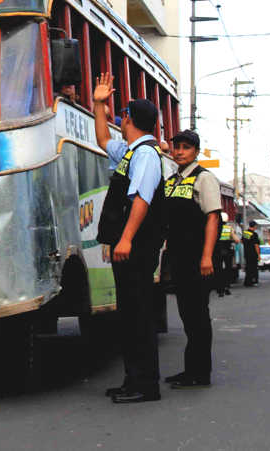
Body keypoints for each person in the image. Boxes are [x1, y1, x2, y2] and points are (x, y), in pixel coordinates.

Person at [92, 72, 164, 404]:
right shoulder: (131, 151)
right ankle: (131, 379)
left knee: (139, 316)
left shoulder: (147, 154)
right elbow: (103, 140)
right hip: (128, 248)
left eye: (122, 115)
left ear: (130, 120)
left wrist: (126, 239)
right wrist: (97, 105)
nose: (119, 120)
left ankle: (145, 385)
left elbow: (141, 199)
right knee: (129, 316)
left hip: (136, 247)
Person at [162, 129, 222, 388]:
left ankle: (201, 372)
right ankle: (191, 370)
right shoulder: (173, 180)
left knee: (198, 315)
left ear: (196, 152)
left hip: (198, 257)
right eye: (177, 147)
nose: (179, 151)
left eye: (186, 147)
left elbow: (213, 217)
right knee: (187, 314)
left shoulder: (204, 178)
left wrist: (207, 256)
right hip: (178, 257)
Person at [214, 218, 234, 297]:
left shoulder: (213, 228)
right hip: (227, 252)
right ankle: (226, 286)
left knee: (218, 270)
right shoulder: (227, 229)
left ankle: (219, 289)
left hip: (217, 252)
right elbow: (236, 240)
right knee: (228, 269)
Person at [243, 220, 261, 286]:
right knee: (254, 268)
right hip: (253, 253)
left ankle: (247, 281)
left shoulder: (246, 233)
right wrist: (258, 255)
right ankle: (254, 281)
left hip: (247, 253)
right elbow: (256, 245)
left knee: (248, 267)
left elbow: (243, 242)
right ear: (255, 226)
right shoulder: (254, 234)